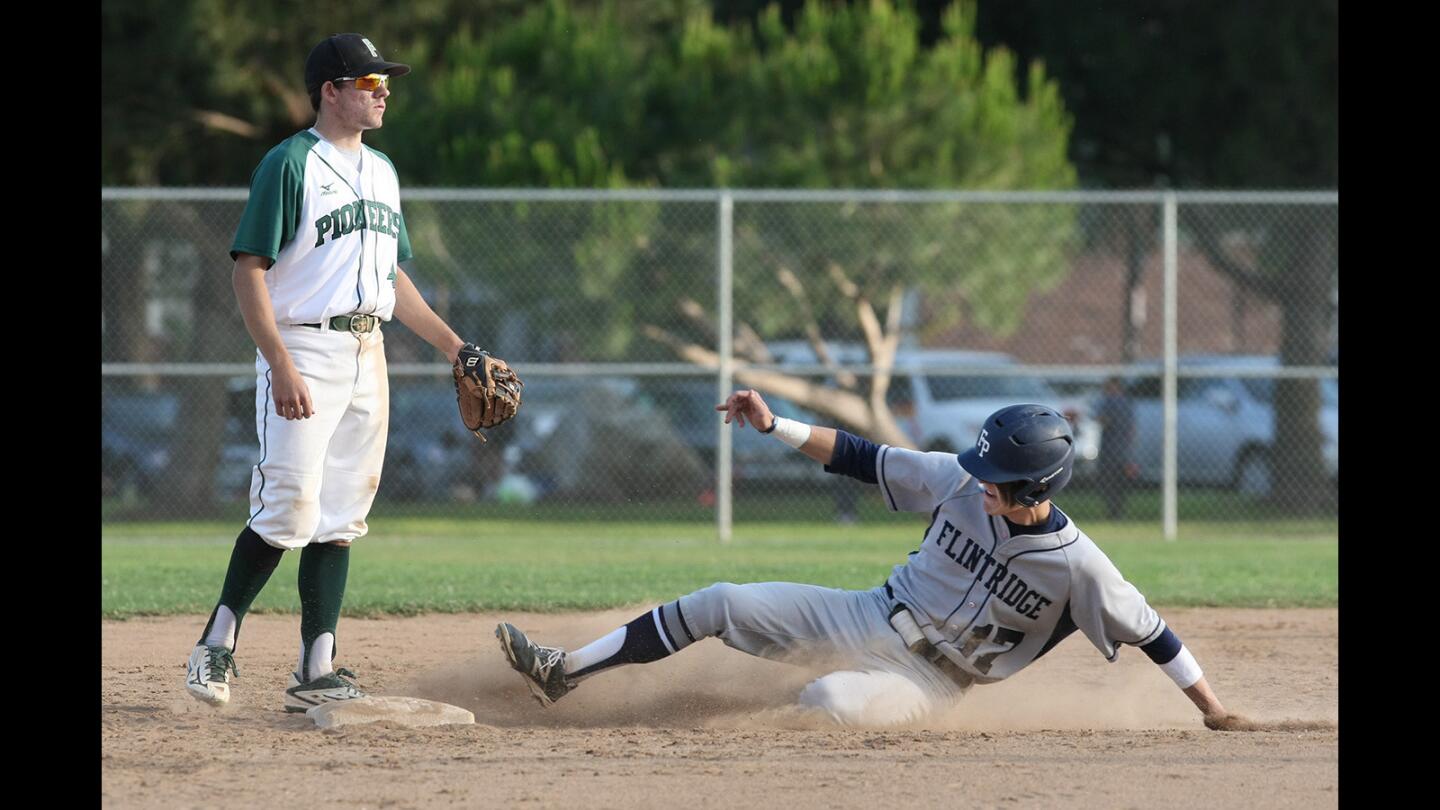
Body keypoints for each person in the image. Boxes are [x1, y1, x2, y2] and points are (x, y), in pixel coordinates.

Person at [495, 389, 1247, 729]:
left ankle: (732, 720)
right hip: (867, 612)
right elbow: (863, 457)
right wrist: (774, 424)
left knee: (830, 703)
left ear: (1036, 486)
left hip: (927, 678)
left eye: (996, 477)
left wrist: (1214, 713)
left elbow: (1156, 637)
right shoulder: (957, 480)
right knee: (721, 598)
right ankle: (566, 672)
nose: (977, 480)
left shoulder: (1081, 568)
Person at [185, 33, 491, 713]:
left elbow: (392, 277)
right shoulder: (290, 163)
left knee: (342, 515)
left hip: (367, 353)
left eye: (385, 83)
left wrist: (454, 346)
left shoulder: (382, 172)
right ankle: (214, 645)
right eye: (370, 83)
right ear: (332, 90)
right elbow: (248, 271)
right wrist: (281, 365)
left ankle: (316, 667)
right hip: (305, 349)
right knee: (285, 508)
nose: (383, 93)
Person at [1094, 376, 1137, 519]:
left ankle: (1113, 512)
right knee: (1119, 484)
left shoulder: (1108, 402)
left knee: (1109, 482)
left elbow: (1103, 421)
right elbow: (1132, 429)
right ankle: (1117, 512)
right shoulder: (1128, 403)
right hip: (1123, 450)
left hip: (1110, 450)